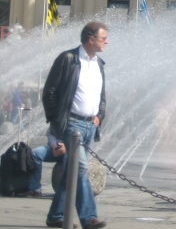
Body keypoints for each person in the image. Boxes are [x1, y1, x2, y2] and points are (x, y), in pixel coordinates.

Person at [42, 21, 109, 229]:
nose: (106, 41)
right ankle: (89, 217)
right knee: (80, 169)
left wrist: (100, 115)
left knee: (72, 173)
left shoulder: (99, 63)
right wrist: (58, 119)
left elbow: (102, 95)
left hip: (90, 126)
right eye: (103, 38)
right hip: (72, 124)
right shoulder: (68, 59)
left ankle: (56, 215)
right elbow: (49, 92)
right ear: (91, 39)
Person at [18, 128, 66, 198]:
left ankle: (65, 191)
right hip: (56, 146)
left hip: (72, 148)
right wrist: (54, 146)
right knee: (35, 154)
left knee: (68, 160)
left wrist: (66, 147)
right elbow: (50, 132)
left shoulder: (78, 119)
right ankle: (35, 189)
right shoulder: (58, 118)